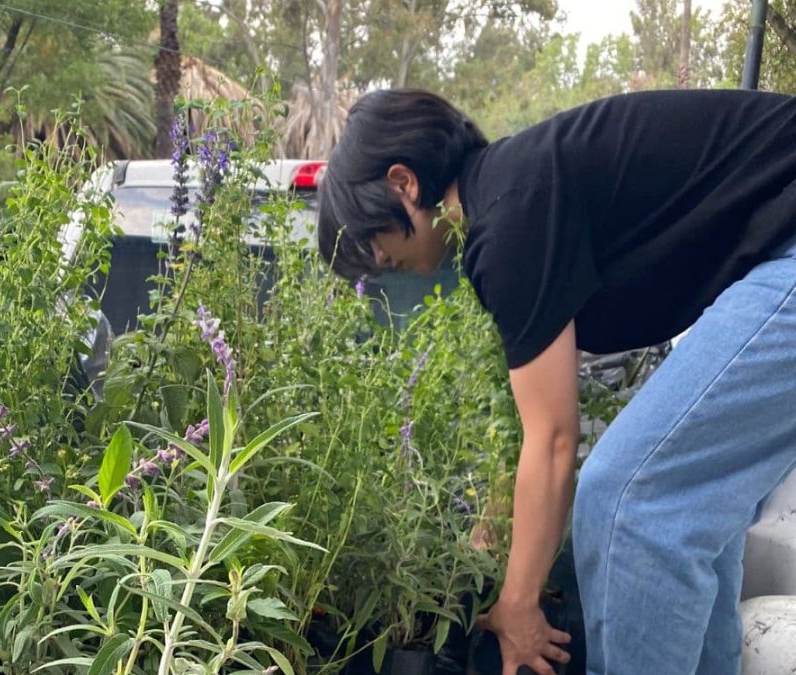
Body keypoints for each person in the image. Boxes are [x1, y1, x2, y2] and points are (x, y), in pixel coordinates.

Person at [316, 88, 796, 675]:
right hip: (775, 254)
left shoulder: (508, 214)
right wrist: (489, 556)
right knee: (688, 513)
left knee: (630, 503)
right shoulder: (508, 197)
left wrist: (518, 605)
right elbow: (530, 426)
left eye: (367, 238)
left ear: (402, 184)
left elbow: (554, 441)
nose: (373, 262)